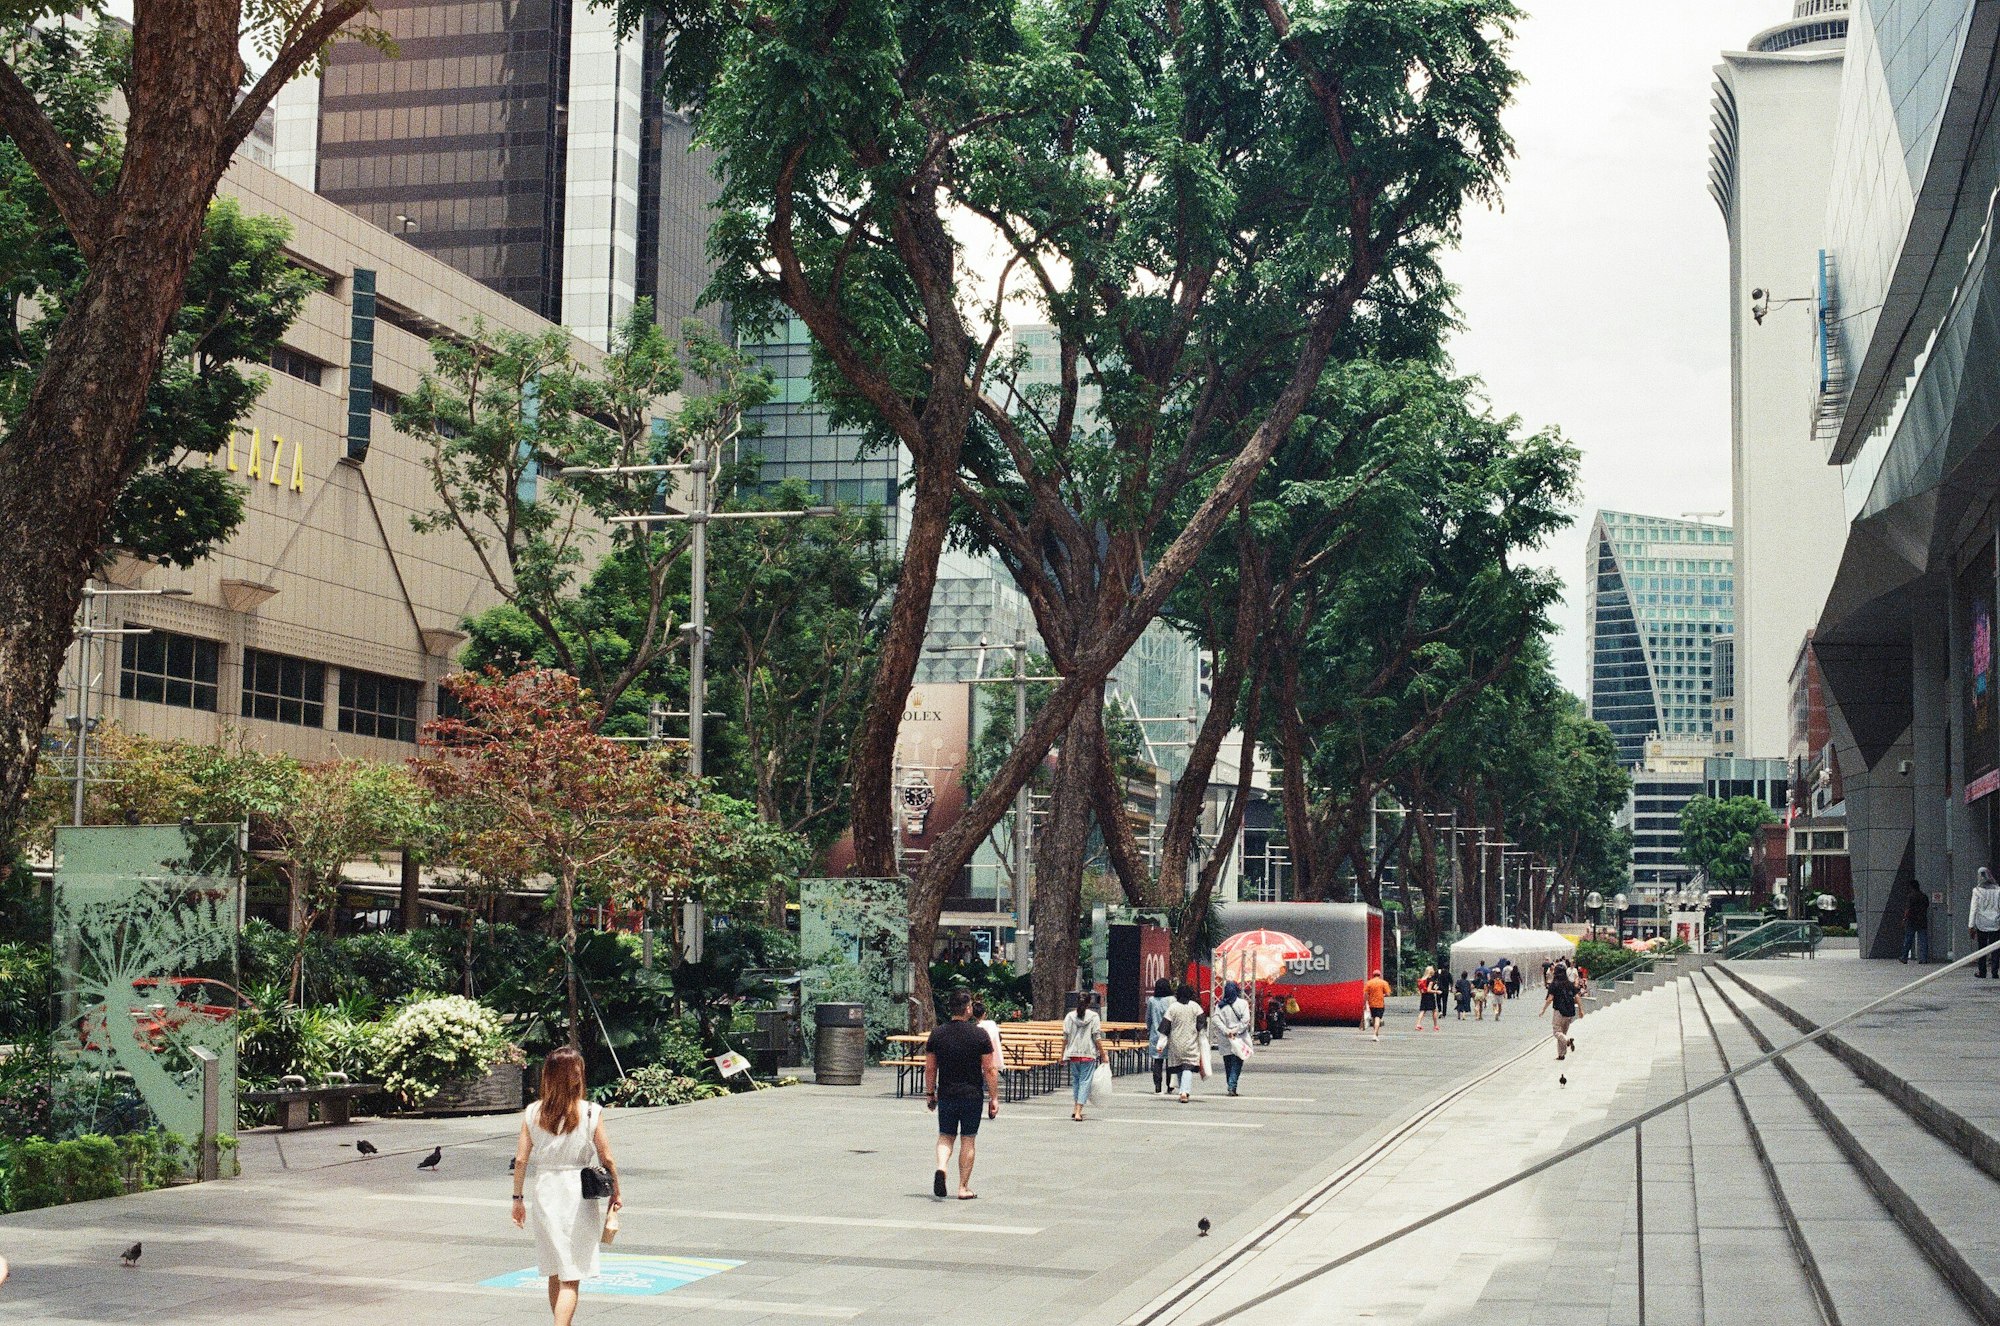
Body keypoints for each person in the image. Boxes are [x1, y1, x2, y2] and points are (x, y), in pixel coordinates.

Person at [512, 1046, 622, 1326]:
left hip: (545, 1189)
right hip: (577, 1194)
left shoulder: (532, 1112)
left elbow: (522, 1159)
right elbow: (606, 1157)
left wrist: (517, 1198)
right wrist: (616, 1191)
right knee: (571, 1276)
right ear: (577, 1076)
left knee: (554, 1270)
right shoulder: (590, 1112)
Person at [925, 989, 998, 1198]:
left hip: (947, 1093)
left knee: (946, 1136)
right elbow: (990, 1069)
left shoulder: (937, 1033)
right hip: (971, 1095)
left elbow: (930, 1068)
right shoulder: (980, 1035)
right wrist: (994, 1097)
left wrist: (930, 1093)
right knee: (968, 1139)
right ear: (968, 1009)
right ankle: (963, 1187)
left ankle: (941, 1167)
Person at [1062, 991, 1107, 1122]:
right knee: (1085, 1082)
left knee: (1076, 1081)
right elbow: (1097, 1037)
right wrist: (1103, 1054)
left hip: (1073, 1052)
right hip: (1088, 1053)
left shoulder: (1070, 1016)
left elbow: (1065, 1037)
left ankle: (1076, 1106)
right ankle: (1078, 1110)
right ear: (1089, 1002)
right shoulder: (1094, 1017)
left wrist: (1062, 1054)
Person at [1162, 982, 1206, 1103]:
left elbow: (1165, 1027)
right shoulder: (1195, 1007)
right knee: (1188, 1066)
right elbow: (1201, 1025)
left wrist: (1160, 1044)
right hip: (1190, 1041)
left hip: (1175, 1042)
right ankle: (1184, 1092)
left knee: (1179, 1066)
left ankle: (1182, 1089)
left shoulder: (1173, 1008)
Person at [1211, 981, 1254, 1096]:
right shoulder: (1243, 1003)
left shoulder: (1220, 1005)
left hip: (1225, 1038)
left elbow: (1215, 1019)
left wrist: (1226, 1031)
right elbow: (1246, 1020)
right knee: (1237, 1062)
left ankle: (1230, 1084)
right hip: (1238, 1038)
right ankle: (1232, 1085)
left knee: (1228, 1063)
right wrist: (1236, 1031)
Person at [1540, 964, 1579, 1062]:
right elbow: (1577, 996)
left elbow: (1550, 999)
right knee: (1563, 1033)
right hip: (1570, 1012)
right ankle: (1561, 1055)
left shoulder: (1554, 984)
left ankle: (1568, 1040)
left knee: (1557, 1032)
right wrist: (1581, 1010)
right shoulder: (1569, 984)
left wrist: (1543, 1009)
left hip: (1559, 1011)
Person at [1145, 977, 1175, 1093]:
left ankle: (1157, 1086)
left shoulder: (1152, 1000)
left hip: (1155, 1034)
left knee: (1157, 1061)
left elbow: (1148, 1018)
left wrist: (1148, 1028)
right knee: (1170, 1061)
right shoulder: (1172, 1000)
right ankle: (1169, 1085)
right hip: (1169, 1034)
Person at [1972, 867, 2000, 978]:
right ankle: (1994, 972)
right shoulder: (1998, 890)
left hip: (1981, 924)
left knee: (1982, 949)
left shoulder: (1977, 891)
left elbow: (1973, 909)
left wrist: (1971, 926)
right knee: (1995, 949)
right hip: (1995, 923)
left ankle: (1982, 971)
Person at [972, 998, 1008, 1074]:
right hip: (993, 1061)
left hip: (978, 1062)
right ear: (984, 1014)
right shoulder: (992, 1024)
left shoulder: (973, 1028)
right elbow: (999, 1037)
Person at [1363, 968, 1391, 1041]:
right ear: (1380, 975)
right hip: (1380, 1004)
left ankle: (1376, 1033)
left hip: (1371, 1004)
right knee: (1378, 1019)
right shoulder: (1384, 983)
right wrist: (1383, 995)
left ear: (1373, 975)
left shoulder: (1369, 983)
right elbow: (1388, 994)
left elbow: (1365, 994)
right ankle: (1375, 1034)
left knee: (1373, 1019)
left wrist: (1365, 1002)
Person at [1414, 966, 1441, 1031]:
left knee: (1423, 1011)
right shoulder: (1431, 980)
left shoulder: (1423, 979)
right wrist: (1436, 991)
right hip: (1430, 996)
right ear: (1431, 971)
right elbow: (1429, 990)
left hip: (1424, 996)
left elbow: (1421, 989)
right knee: (1434, 1010)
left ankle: (1418, 1024)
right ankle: (1435, 1025)